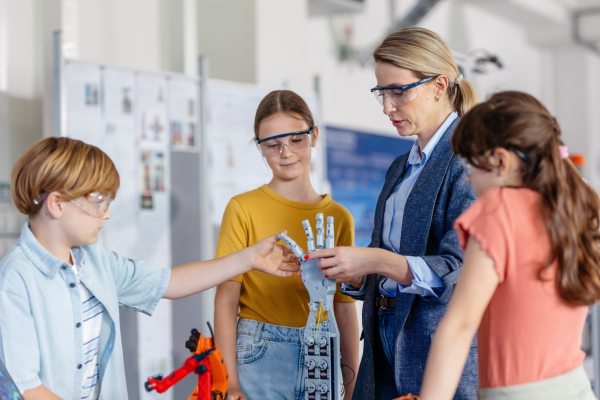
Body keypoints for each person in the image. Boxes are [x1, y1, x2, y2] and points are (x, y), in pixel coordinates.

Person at [0, 137, 299, 400]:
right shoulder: (14, 280)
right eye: (98, 200)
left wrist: (249, 259)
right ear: (56, 204)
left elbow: (169, 283)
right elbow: (27, 388)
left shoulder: (93, 260)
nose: (107, 213)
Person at [306, 27, 480, 399]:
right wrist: (354, 274)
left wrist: (375, 259)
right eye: (381, 92)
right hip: (382, 336)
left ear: (439, 85)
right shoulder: (400, 166)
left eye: (398, 91)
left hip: (432, 345)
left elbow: (460, 271)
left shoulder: (470, 161)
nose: (387, 107)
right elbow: (383, 265)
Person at [419, 91, 600, 400]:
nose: (471, 180)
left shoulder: (500, 208)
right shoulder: (579, 205)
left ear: (500, 161)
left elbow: (459, 326)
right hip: (575, 387)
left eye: (470, 168)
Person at [214, 90, 360, 400]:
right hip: (258, 353)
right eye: (272, 144)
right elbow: (226, 300)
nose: (286, 152)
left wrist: (352, 386)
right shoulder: (242, 208)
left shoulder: (339, 217)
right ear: (260, 148)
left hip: (325, 349)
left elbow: (344, 307)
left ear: (314, 136)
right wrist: (230, 383)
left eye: (296, 139)